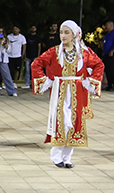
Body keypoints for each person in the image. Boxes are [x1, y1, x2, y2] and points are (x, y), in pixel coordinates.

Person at [31, 20, 104, 168]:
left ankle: (67, 157)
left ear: (74, 35)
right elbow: (36, 64)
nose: (63, 36)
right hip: (60, 89)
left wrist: (89, 82)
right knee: (62, 121)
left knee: (74, 122)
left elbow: (99, 65)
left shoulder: (83, 53)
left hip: (77, 90)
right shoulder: (54, 51)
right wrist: (47, 80)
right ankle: (56, 154)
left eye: (66, 32)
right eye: (61, 32)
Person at [0, 27, 16, 96]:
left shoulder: (7, 40)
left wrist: (5, 44)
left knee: (7, 75)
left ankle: (11, 91)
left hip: (4, 59)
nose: (1, 34)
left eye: (2, 32)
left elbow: (9, 50)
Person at [101, 21, 114, 91]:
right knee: (106, 69)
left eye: (107, 26)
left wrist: (112, 50)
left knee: (111, 69)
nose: (106, 27)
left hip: (113, 53)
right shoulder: (107, 35)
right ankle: (109, 85)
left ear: (111, 26)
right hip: (106, 54)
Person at [23, 25, 41, 89]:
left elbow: (39, 46)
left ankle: (35, 83)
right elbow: (25, 46)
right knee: (27, 70)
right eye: (32, 28)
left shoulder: (38, 37)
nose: (33, 29)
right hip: (28, 56)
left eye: (34, 28)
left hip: (35, 56)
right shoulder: (27, 37)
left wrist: (38, 56)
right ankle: (27, 83)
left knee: (35, 70)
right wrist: (24, 55)